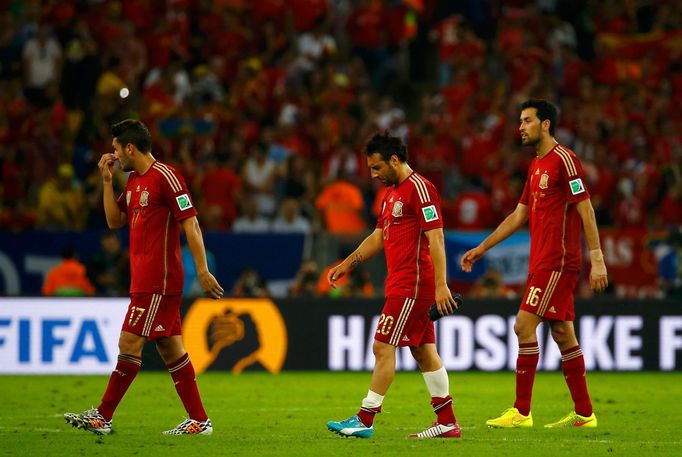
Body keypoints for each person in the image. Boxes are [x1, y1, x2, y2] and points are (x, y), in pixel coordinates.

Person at [64, 119, 224, 436]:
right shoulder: (135, 181)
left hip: (158, 280)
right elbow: (113, 221)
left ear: (130, 148)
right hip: (144, 280)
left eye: (115, 150)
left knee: (129, 341)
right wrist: (107, 181)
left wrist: (203, 270)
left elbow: (191, 224)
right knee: (170, 348)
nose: (113, 156)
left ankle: (103, 416)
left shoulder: (166, 177)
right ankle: (199, 420)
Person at [460, 99, 608, 429]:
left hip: (558, 261)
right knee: (563, 333)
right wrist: (482, 247)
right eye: (520, 121)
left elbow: (586, 210)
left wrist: (597, 260)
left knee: (523, 326)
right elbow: (518, 216)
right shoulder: (536, 165)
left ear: (546, 124)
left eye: (527, 121)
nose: (520, 127)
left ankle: (521, 411)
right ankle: (585, 413)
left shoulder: (565, 160)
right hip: (542, 260)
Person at [326, 131, 462, 439]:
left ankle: (365, 418)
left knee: (382, 345)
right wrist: (346, 265)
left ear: (395, 160)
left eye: (377, 167)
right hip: (402, 283)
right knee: (424, 350)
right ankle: (447, 421)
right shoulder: (392, 194)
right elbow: (377, 237)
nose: (374, 175)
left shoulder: (421, 189)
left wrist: (442, 285)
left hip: (412, 284)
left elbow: (436, 237)